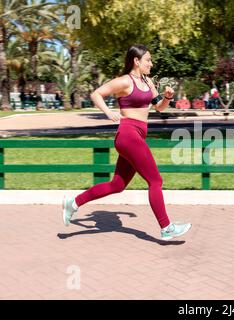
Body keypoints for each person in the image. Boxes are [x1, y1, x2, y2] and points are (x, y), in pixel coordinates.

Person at [61, 44, 192, 241]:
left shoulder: (148, 82)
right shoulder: (124, 81)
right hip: (128, 134)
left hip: (138, 135)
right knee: (155, 180)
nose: (151, 63)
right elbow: (96, 94)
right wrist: (108, 112)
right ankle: (166, 228)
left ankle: (73, 203)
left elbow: (159, 108)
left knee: (117, 185)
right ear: (136, 61)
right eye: (148, 59)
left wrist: (167, 98)